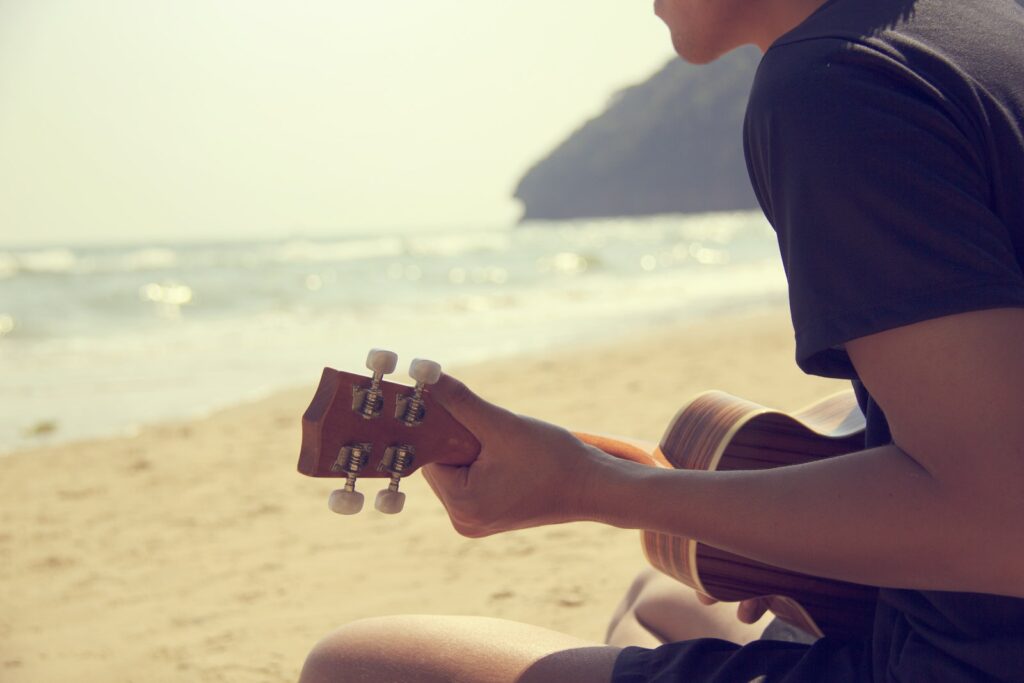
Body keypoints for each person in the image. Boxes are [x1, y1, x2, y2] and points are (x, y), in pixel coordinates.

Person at [300, 0, 1024, 680]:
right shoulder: (984, 29)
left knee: (357, 662)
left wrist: (599, 486)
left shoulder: (837, 84)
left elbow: (996, 520)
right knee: (659, 592)